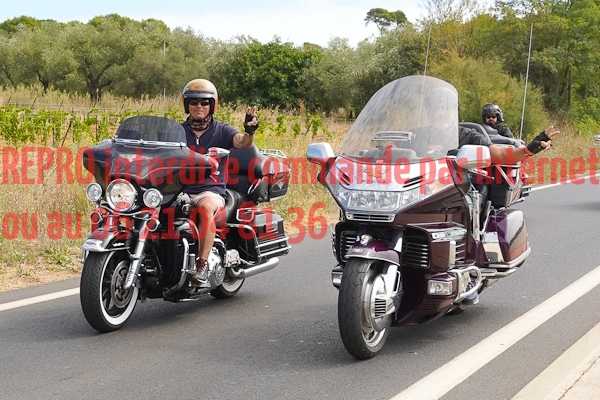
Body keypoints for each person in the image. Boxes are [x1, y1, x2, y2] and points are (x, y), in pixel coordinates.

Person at [181, 78, 259, 287]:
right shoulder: (177, 132)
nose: (199, 106)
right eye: (194, 102)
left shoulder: (222, 130)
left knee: (205, 207)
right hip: (180, 189)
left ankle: (202, 265)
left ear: (212, 105)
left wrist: (249, 131)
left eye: (204, 102)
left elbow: (242, 143)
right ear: (186, 104)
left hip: (210, 190)